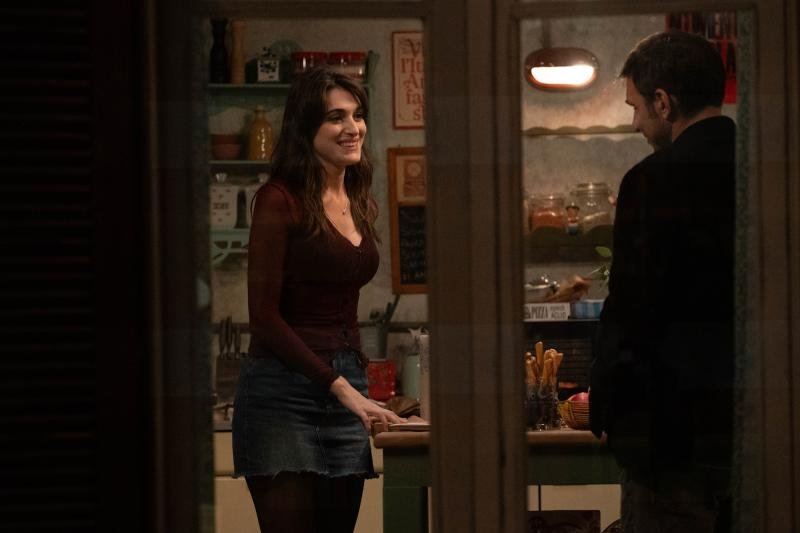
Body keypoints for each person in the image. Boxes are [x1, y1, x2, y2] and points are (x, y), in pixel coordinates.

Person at [232, 67, 405, 533]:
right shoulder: (278, 200)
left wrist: (352, 386)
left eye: (358, 115)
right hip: (280, 393)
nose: (353, 128)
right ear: (305, 127)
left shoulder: (360, 199)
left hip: (345, 386)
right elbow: (263, 318)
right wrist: (342, 387)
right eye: (335, 117)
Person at [589, 30, 736, 533]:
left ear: (663, 102)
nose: (635, 123)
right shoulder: (767, 171)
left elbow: (631, 309)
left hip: (671, 441)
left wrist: (608, 405)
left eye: (636, 107)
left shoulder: (651, 180)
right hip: (757, 428)